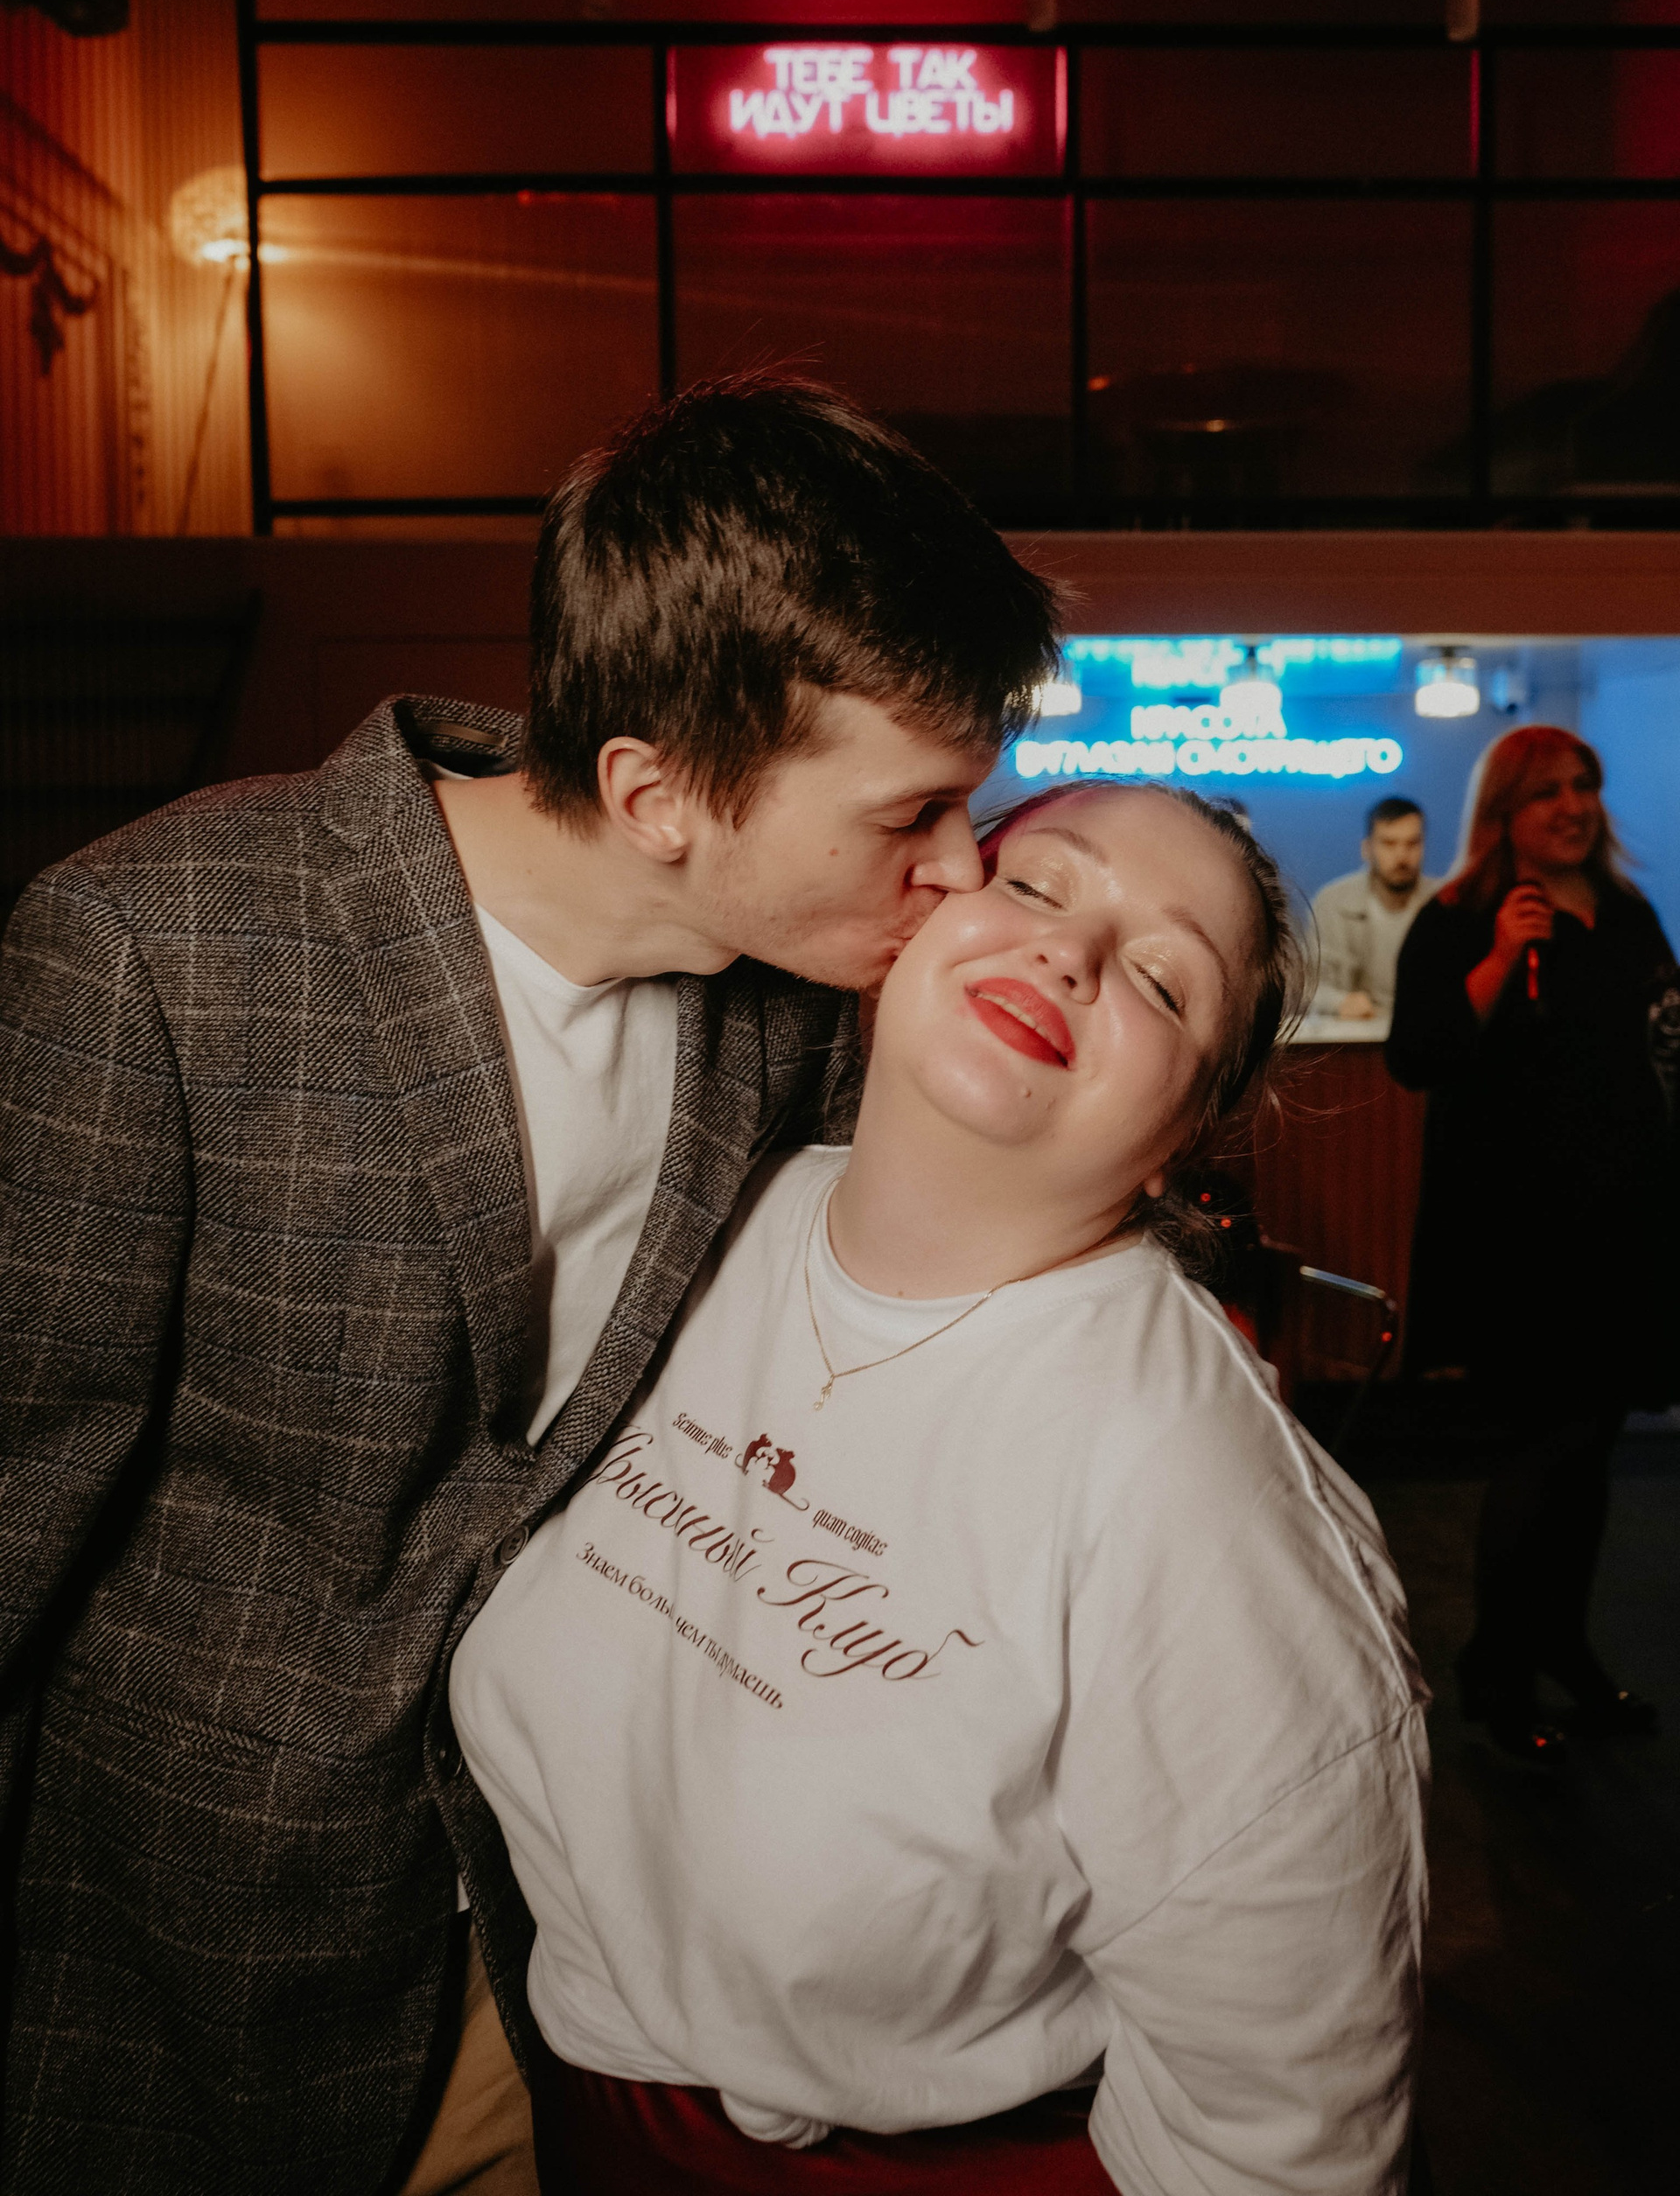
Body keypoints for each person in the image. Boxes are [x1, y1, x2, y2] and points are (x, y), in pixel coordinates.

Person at [0, 377, 1059, 2196]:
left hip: (563, 1974)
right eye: (914, 813)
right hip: (169, 1984)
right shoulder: (149, 948)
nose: (960, 868)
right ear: (659, 792)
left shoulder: (807, 1008)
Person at [452, 780, 1431, 2196]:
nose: (1071, 954)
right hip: (565, 2117)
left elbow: (1281, 2147)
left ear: (1190, 1129)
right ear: (914, 925)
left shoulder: (1215, 1519)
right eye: (1034, 885)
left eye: (1163, 981)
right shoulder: (685, 1219)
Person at [1387, 725, 1676, 1764]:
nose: (1573, 806)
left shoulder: (1629, 914)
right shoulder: (1460, 918)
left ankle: (1564, 1647)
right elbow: (1418, 1056)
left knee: (1592, 1447)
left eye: (1584, 786)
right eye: (1548, 791)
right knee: (1542, 1447)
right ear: (1504, 812)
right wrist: (1504, 958)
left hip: (1624, 1223)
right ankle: (1498, 1669)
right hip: (1521, 1235)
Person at [1309, 795, 1439, 1023]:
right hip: (1357, 1035)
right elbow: (1306, 987)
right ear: (1367, 848)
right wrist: (1339, 1002)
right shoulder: (1333, 902)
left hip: (1428, 1032)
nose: (1402, 856)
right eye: (1389, 843)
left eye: (1412, 843)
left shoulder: (1444, 904)